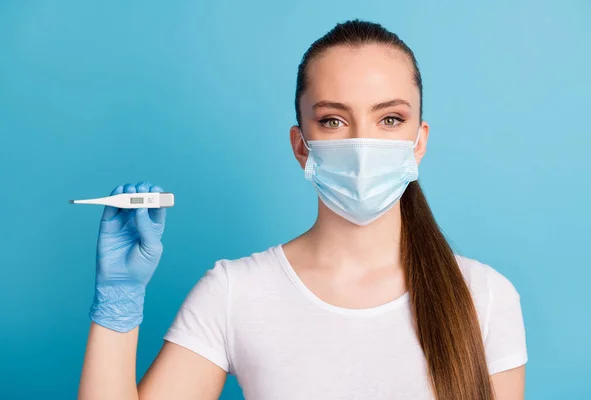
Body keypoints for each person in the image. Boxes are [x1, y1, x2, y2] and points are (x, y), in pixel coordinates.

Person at [78, 19, 527, 400]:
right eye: (333, 120)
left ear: (420, 141)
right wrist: (117, 305)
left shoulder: (485, 297)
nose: (361, 144)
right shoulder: (235, 293)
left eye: (390, 119)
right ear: (301, 146)